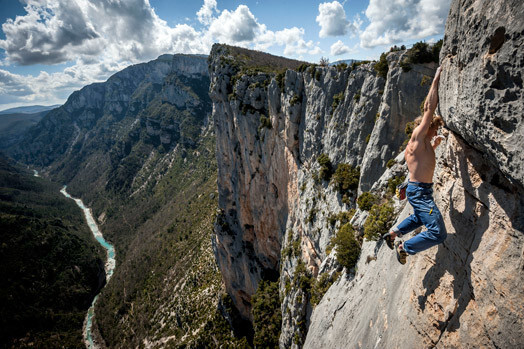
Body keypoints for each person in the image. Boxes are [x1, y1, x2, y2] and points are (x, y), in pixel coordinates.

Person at [383, 67, 447, 264]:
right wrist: (436, 79)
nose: (436, 130)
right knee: (438, 232)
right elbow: (429, 108)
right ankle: (405, 247)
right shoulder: (418, 138)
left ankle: (393, 233)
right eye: (434, 127)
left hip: (420, 190)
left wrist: (435, 145)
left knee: (421, 217)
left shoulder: (426, 144)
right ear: (427, 127)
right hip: (419, 191)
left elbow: (423, 163)